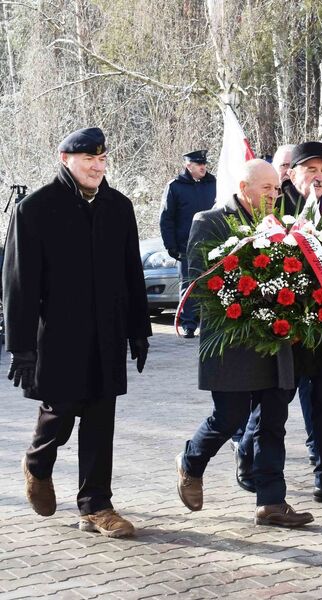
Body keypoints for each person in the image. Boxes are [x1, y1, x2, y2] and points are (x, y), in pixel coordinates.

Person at [3, 127, 151, 537]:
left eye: (102, 160)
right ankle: (37, 463)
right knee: (60, 412)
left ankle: (95, 506)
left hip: (107, 333)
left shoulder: (118, 207)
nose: (97, 167)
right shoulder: (36, 208)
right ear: (65, 158)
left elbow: (130, 273)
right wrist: (21, 348)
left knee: (101, 417)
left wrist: (139, 330)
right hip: (58, 334)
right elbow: (19, 283)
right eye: (89, 159)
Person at [175, 159, 318, 527]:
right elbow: (196, 282)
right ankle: (191, 461)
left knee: (273, 420)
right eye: (266, 189)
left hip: (275, 339)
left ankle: (271, 502)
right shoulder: (209, 221)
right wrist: (246, 300)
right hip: (232, 340)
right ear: (243, 187)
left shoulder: (283, 225)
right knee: (230, 417)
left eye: (276, 188)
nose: (274, 195)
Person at [234, 143, 322, 507]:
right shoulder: (276, 209)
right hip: (285, 329)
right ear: (293, 173)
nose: (317, 176)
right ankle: (247, 453)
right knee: (274, 406)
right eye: (310, 169)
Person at [159, 150, 217, 338]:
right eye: (199, 164)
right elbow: (167, 218)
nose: (203, 167)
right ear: (188, 166)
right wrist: (171, 245)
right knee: (189, 286)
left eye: (204, 164)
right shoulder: (175, 187)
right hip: (186, 245)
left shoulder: (214, 183)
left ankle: (211, 323)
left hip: (213, 243)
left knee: (214, 284)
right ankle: (189, 324)